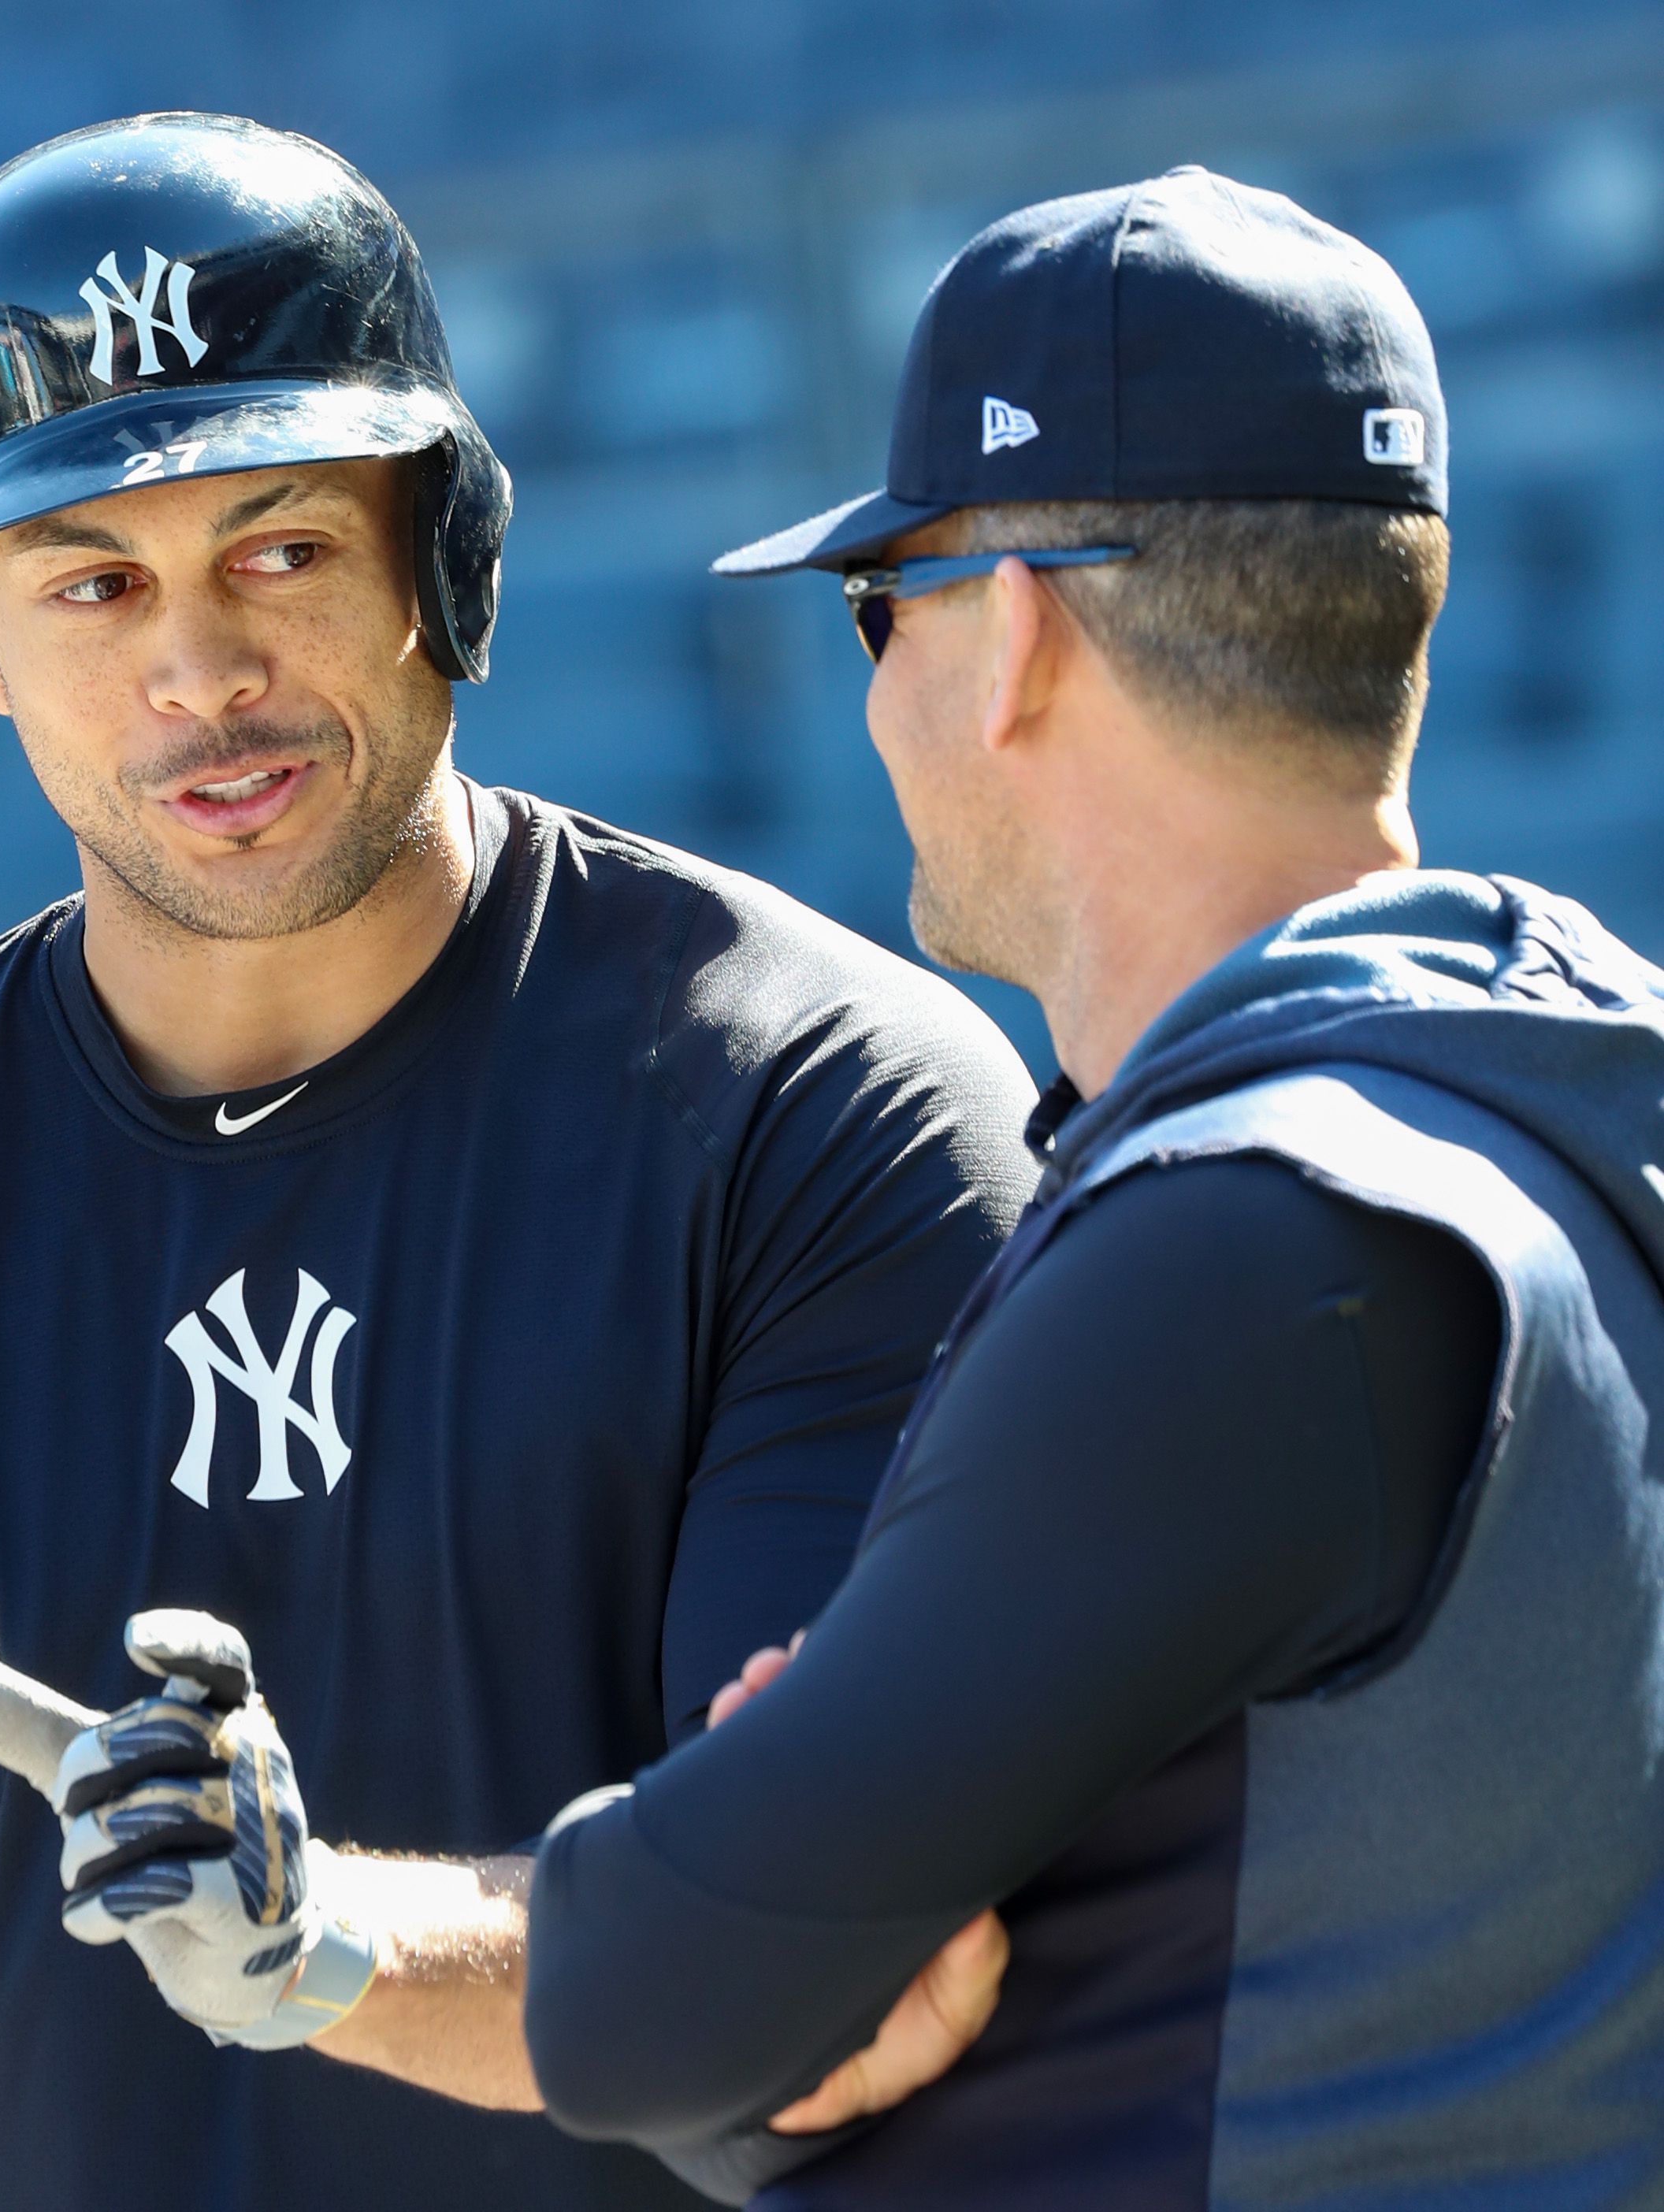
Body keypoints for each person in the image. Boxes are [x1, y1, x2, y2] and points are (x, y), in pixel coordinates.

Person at [0, 113, 1036, 2212]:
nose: (202, 671)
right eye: (92, 581)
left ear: (442, 549)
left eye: (276, 547)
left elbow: (825, 1974)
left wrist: (324, 1947)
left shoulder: (823, 1116)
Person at [511, 165, 1664, 2205]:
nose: (875, 690)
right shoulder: (1577, 1101)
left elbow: (640, 2007)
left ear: (1017, 631)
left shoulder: (1257, 1234)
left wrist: (740, 1847)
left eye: (888, 607)